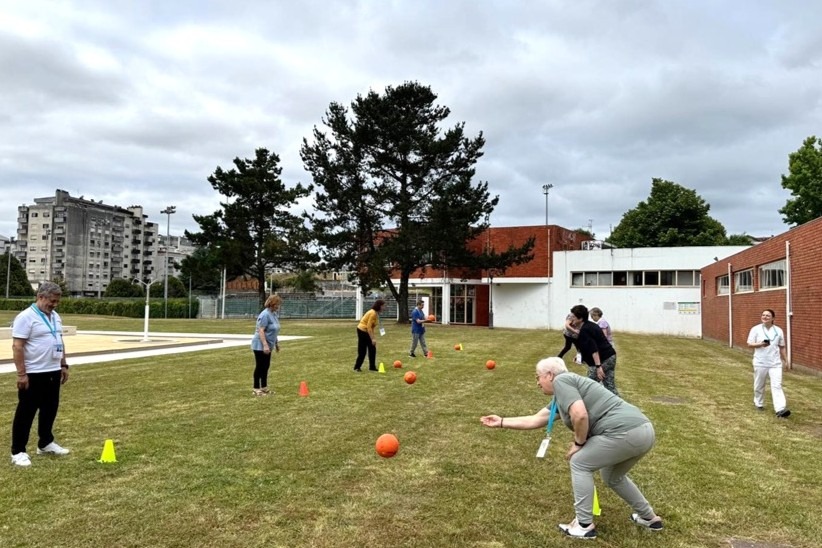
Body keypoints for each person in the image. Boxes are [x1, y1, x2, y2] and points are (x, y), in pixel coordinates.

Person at [480, 357, 662, 540]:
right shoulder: (564, 393)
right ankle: (649, 518)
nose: (537, 382)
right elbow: (536, 419)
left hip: (624, 432)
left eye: (538, 377)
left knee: (579, 462)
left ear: (550, 375)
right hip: (644, 431)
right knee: (612, 476)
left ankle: (584, 526)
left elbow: (580, 415)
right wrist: (501, 421)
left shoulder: (562, 381)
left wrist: (579, 443)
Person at [10, 282, 71, 467]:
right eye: (52, 301)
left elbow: (58, 339)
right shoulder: (26, 317)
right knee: (26, 413)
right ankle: (18, 451)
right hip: (34, 373)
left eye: (57, 301)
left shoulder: (55, 317)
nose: (55, 304)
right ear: (41, 297)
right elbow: (17, 346)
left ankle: (45, 443)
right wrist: (22, 374)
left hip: (52, 371)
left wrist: (63, 364)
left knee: (50, 409)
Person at [746, 309, 790, 418]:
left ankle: (780, 409)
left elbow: (782, 346)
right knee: (759, 384)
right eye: (763, 315)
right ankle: (758, 402)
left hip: (775, 363)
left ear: (773, 318)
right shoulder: (756, 329)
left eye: (768, 315)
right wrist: (760, 344)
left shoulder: (778, 330)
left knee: (777, 385)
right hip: (760, 362)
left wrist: (786, 360)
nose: (765, 317)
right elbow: (749, 344)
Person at [571, 304, 619, 396]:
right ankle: (620, 407)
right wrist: (579, 355)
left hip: (604, 359)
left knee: (587, 386)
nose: (571, 319)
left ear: (580, 319)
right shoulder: (589, 326)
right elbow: (590, 345)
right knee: (610, 387)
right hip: (610, 356)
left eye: (573, 317)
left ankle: (582, 408)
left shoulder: (585, 330)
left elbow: (594, 350)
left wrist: (598, 367)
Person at [250, 294, 282, 396]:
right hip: (260, 344)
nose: (279, 306)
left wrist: (276, 343)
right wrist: (265, 345)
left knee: (266, 366)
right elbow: (261, 331)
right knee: (260, 366)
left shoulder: (274, 314)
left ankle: (264, 387)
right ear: (272, 304)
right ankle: (256, 388)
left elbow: (274, 330)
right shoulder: (264, 315)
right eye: (277, 304)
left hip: (269, 344)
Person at [354, 299, 385, 372]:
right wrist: (372, 339)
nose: (384, 308)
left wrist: (373, 337)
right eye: (383, 306)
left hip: (366, 331)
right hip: (362, 331)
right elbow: (368, 327)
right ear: (379, 306)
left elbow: (372, 327)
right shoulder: (373, 313)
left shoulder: (375, 313)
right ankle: (357, 367)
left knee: (372, 349)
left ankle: (372, 367)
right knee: (363, 350)